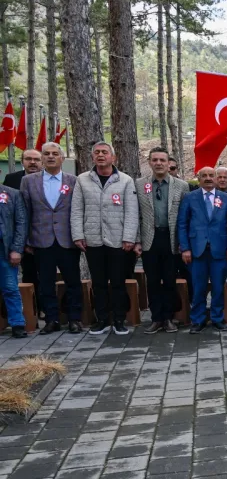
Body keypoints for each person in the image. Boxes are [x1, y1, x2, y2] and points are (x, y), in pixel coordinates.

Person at [71, 142, 139, 335]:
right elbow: (76, 210)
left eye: (105, 152)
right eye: (97, 153)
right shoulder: (82, 180)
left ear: (113, 158)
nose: (101, 155)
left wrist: (129, 238)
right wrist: (78, 235)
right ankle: (102, 319)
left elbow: (131, 212)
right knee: (99, 282)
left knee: (118, 282)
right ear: (93, 157)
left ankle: (119, 319)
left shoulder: (125, 181)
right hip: (92, 240)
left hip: (118, 241)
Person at [20, 143, 82, 334]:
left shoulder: (73, 181)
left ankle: (74, 319)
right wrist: (26, 240)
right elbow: (24, 212)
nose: (51, 157)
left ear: (62, 158)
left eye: (55, 154)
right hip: (41, 239)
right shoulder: (29, 182)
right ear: (42, 158)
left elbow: (79, 210)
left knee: (73, 281)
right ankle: (51, 319)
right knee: (45, 283)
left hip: (68, 239)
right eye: (46, 154)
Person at [177, 166, 227, 333]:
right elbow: (182, 224)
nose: (208, 178)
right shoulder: (190, 197)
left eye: (212, 175)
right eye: (204, 176)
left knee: (218, 287)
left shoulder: (226, 198)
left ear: (217, 178)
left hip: (220, 250)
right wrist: (185, 248)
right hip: (197, 251)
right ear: (199, 179)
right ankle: (198, 319)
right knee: (198, 288)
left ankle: (217, 318)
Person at [135, 147, 188, 334]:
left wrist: (184, 242)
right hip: (150, 238)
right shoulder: (139, 185)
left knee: (170, 280)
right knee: (153, 281)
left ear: (168, 163)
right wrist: (137, 240)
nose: (158, 163)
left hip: (172, 238)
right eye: (154, 160)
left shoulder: (181, 186)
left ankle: (168, 317)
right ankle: (156, 318)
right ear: (149, 162)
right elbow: (136, 215)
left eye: (162, 160)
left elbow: (185, 216)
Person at [5, 148, 42, 304]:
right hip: (20, 237)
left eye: (36, 159)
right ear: (22, 161)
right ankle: (32, 308)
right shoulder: (12, 179)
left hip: (44, 235)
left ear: (42, 162)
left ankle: (45, 309)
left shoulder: (47, 179)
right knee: (28, 274)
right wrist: (22, 240)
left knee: (46, 275)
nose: (32, 162)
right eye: (28, 159)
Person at [0, 178, 28, 338]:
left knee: (10, 288)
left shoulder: (12, 194)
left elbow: (21, 223)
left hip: (4, 249)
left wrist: (17, 249)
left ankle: (17, 324)